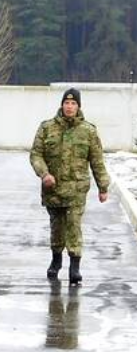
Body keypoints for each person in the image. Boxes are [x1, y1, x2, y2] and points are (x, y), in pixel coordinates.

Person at [30, 88, 110, 285]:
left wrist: (103, 187)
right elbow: (36, 155)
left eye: (74, 103)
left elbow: (97, 161)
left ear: (79, 106)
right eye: (67, 103)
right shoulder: (47, 128)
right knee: (57, 228)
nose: (70, 106)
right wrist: (44, 174)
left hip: (76, 189)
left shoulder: (88, 131)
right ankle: (56, 261)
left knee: (74, 226)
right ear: (62, 105)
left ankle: (75, 267)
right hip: (53, 189)